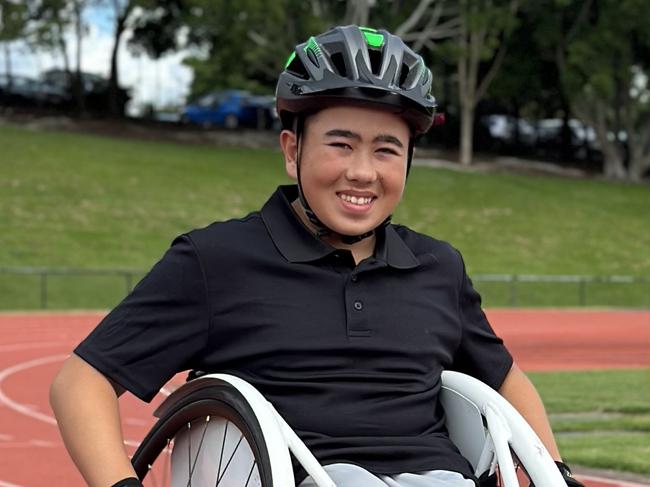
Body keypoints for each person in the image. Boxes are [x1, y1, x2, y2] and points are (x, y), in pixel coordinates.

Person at [50, 25, 583, 487]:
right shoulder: (214, 260)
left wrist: (555, 472)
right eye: (341, 144)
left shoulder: (439, 267)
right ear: (292, 150)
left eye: (386, 150)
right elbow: (81, 383)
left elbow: (504, 380)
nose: (362, 172)